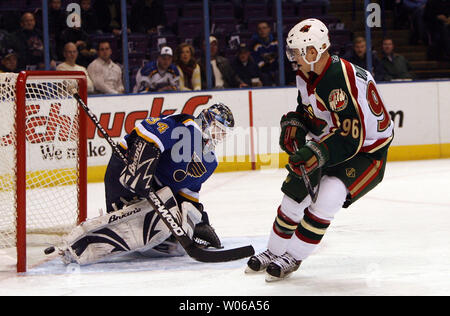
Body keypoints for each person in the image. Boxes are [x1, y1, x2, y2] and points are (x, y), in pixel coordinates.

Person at [245, 18, 394, 281]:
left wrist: (315, 152)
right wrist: (297, 124)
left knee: (328, 198)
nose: (293, 58)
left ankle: (293, 256)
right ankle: (273, 251)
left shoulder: (340, 80)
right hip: (333, 139)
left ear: (313, 51)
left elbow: (351, 138)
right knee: (294, 194)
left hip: (367, 153)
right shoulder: (306, 73)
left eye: (296, 52)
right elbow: (309, 110)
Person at [56, 103, 235, 265]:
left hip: (154, 192)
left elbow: (188, 195)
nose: (218, 136)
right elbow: (148, 132)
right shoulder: (186, 125)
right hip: (124, 172)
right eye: (216, 129)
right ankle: (77, 245)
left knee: (166, 240)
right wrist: (141, 170)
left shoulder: (210, 162)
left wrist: (200, 223)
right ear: (206, 119)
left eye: (223, 133)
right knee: (126, 226)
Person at [250, 21, 279, 86]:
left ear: (269, 29)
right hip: (263, 72)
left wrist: (268, 61)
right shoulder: (254, 45)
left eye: (264, 28)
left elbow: (279, 59)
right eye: (260, 29)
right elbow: (257, 62)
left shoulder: (277, 42)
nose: (262, 30)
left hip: (276, 70)